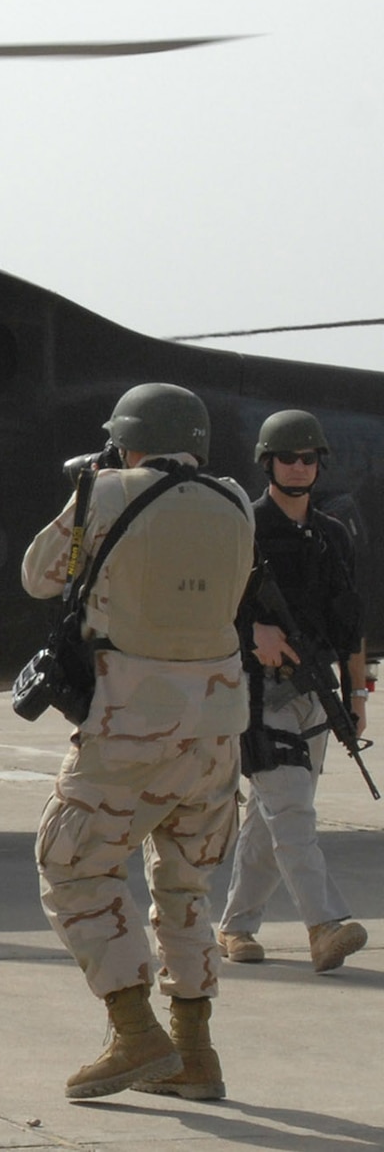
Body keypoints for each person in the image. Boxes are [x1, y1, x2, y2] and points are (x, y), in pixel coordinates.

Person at [20, 382, 254, 1101]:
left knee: (71, 865)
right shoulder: (238, 501)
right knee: (185, 887)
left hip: (130, 725)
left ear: (125, 438)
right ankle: (194, 1049)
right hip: (216, 728)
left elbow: (38, 574)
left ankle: (133, 1029)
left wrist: (89, 488)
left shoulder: (106, 492)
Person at [217, 410, 369, 973]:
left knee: (272, 815)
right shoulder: (243, 529)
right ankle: (324, 925)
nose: (300, 468)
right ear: (267, 462)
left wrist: (357, 698)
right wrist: (250, 630)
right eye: (289, 458)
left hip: (315, 691)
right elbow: (208, 607)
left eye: (309, 459)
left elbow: (351, 625)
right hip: (255, 695)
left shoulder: (331, 535)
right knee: (292, 810)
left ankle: (235, 927)